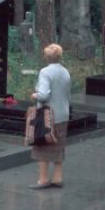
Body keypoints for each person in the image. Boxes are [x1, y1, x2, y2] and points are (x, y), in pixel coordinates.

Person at [29, 43, 71, 189]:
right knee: (59, 145)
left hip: (48, 115)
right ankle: (57, 178)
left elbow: (44, 95)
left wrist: (35, 95)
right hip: (63, 113)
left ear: (46, 57)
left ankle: (43, 179)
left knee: (42, 146)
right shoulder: (65, 71)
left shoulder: (45, 72)